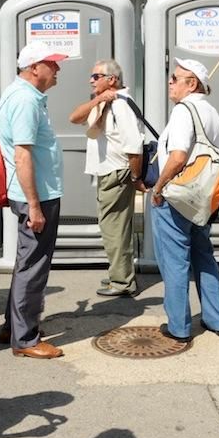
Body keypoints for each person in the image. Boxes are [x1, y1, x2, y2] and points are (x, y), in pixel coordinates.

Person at [149, 58, 219, 342]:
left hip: (178, 197)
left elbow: (178, 156)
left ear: (192, 83)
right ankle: (217, 319)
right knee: (204, 256)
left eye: (175, 78)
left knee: (174, 262)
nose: (170, 83)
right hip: (205, 198)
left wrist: (158, 188)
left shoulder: (184, 110)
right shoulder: (212, 112)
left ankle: (179, 327)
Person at [0, 42, 68, 359]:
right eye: (52, 64)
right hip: (36, 197)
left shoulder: (23, 95)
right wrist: (35, 206)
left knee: (27, 262)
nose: (57, 70)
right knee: (33, 266)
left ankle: (14, 326)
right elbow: (22, 154)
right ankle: (25, 339)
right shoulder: (25, 100)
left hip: (33, 194)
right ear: (34, 67)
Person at [68, 59, 145, 297]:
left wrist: (135, 177)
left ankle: (122, 282)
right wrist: (99, 99)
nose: (91, 80)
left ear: (112, 79)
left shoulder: (121, 105)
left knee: (115, 229)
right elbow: (74, 117)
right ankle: (118, 274)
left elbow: (134, 146)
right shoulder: (105, 102)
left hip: (117, 172)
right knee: (112, 227)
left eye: (96, 76)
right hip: (109, 172)